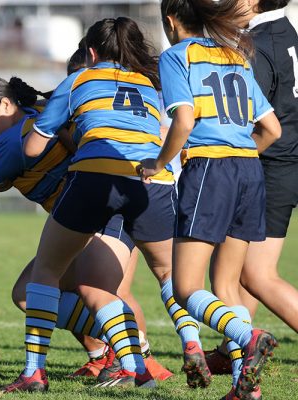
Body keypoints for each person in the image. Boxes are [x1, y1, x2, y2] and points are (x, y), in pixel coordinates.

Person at [0, 74, 173, 383]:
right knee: (82, 291)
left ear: (6, 104)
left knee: (59, 291)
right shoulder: (41, 112)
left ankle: (136, 356)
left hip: (94, 218)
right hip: (112, 208)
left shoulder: (13, 142)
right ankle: (121, 355)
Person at [140, 1, 282, 399]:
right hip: (250, 172)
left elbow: (184, 121)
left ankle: (249, 337)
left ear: (170, 21)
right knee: (226, 286)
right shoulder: (233, 54)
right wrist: (239, 153)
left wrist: (158, 162)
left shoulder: (175, 56)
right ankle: (245, 389)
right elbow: (271, 129)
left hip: (211, 172)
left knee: (186, 287)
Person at [205, 0, 298, 376]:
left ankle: (237, 346)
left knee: (257, 275)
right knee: (242, 268)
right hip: (286, 159)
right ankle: (236, 348)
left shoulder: (259, 41)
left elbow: (248, 117)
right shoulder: (287, 31)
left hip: (273, 162)